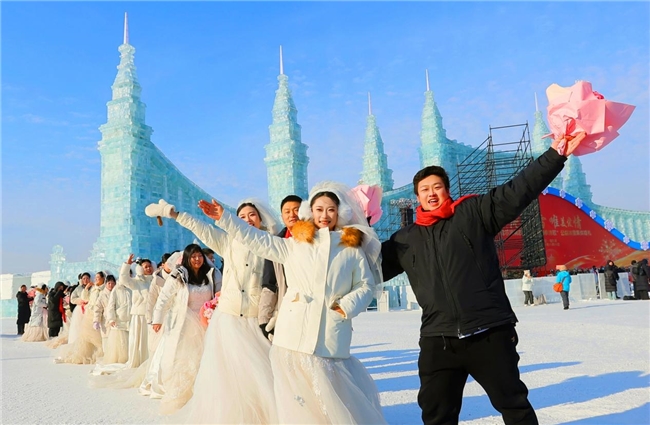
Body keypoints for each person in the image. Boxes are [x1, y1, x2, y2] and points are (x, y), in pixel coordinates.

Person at [380, 132, 587, 425]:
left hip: (488, 332)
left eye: (437, 187)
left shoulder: (473, 213)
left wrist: (555, 155)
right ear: (417, 198)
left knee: (514, 407)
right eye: (424, 189)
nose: (431, 193)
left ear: (447, 190)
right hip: (439, 340)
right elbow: (366, 268)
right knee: (436, 415)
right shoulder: (405, 240)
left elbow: (518, 190)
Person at [200, 182, 386, 425]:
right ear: (310, 212)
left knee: (332, 398)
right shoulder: (294, 245)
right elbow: (255, 238)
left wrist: (346, 306)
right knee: (296, 400)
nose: (325, 215)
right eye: (319, 209)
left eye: (331, 209)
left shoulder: (350, 249)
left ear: (340, 213)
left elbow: (365, 285)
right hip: (292, 335)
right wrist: (225, 218)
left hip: (330, 334)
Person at [145, 197, 278, 424]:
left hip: (256, 319)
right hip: (230, 318)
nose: (247, 220)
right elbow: (201, 228)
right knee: (229, 375)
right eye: (242, 216)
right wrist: (173, 213)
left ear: (261, 218)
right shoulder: (228, 242)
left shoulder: (269, 243)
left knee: (259, 373)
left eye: (252, 215)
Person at [145, 244, 220, 415]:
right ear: (187, 258)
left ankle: (207, 394)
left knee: (207, 358)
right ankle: (186, 394)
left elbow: (219, 294)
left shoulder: (212, 273)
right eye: (193, 256)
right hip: (186, 323)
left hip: (207, 321)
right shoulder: (178, 275)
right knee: (187, 360)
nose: (197, 259)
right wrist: (157, 319)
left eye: (199, 256)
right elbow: (164, 297)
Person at [259, 194, 302, 339]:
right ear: (282, 216)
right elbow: (269, 284)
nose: (292, 215)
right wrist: (264, 319)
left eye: (297, 210)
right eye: (287, 211)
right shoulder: (275, 244)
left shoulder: (317, 241)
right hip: (287, 308)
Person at [55, 272, 106, 364]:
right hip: (84, 311)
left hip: (94, 312)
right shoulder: (83, 288)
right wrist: (82, 299)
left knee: (95, 334)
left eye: (87, 278)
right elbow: (75, 299)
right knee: (83, 333)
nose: (86, 280)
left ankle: (98, 352)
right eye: (84, 278)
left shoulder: (99, 288)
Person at [118, 255, 155, 368]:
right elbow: (123, 279)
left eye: (150, 266)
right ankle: (139, 362)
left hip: (152, 316)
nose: (148, 268)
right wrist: (127, 265)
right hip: (139, 316)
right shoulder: (136, 282)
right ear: (140, 268)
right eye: (145, 267)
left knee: (150, 341)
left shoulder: (155, 280)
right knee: (139, 340)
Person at [93, 274, 116, 352]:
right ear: (105, 284)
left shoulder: (117, 293)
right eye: (109, 283)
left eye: (112, 283)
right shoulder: (102, 295)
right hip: (106, 320)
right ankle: (106, 354)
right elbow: (98, 308)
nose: (111, 285)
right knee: (106, 338)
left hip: (116, 320)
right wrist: (96, 320)